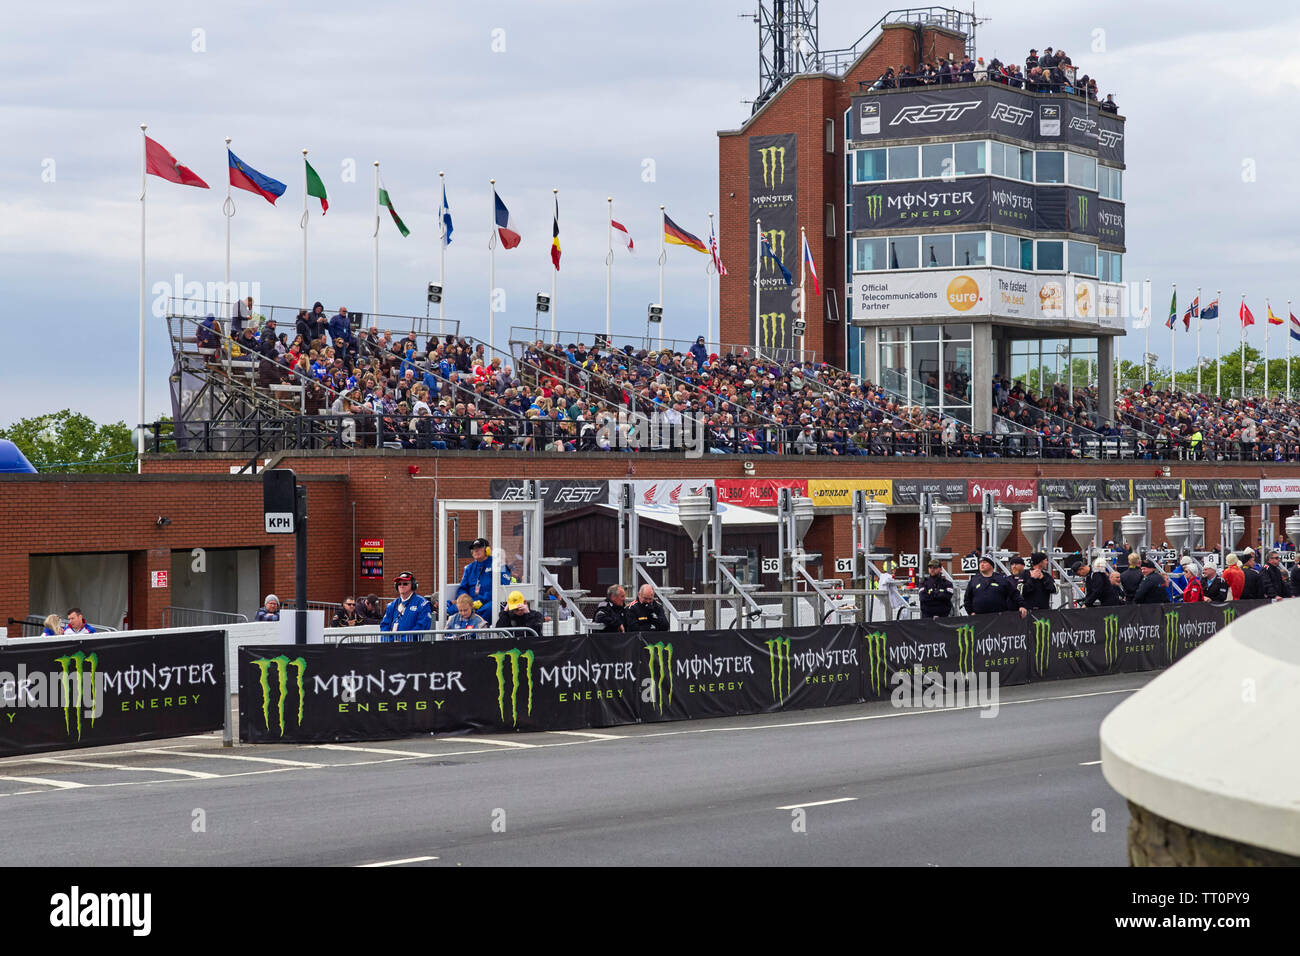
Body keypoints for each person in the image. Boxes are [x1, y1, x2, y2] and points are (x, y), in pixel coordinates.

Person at [448, 537, 511, 616]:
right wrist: (465, 599)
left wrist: (481, 601)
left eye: (479, 548)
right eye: (473, 549)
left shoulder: (499, 565)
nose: (476, 551)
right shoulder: (469, 568)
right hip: (470, 604)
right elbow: (462, 588)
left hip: (489, 602)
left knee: (489, 609)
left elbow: (502, 587)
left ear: (487, 550)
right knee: (451, 610)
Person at [963, 556, 1027, 617]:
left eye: (985, 562)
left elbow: (1014, 593)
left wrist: (1021, 606)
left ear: (991, 565)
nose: (982, 564)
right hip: (978, 617)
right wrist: (970, 612)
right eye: (980, 562)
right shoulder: (974, 580)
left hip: (998, 618)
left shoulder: (1001, 579)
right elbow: (967, 598)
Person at [380, 571, 432, 641]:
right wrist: (389, 642)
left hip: (412, 647)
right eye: (399, 584)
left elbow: (421, 627)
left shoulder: (422, 604)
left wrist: (403, 641)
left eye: (405, 583)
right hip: (392, 647)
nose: (401, 586)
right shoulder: (392, 605)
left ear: (413, 585)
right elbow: (384, 626)